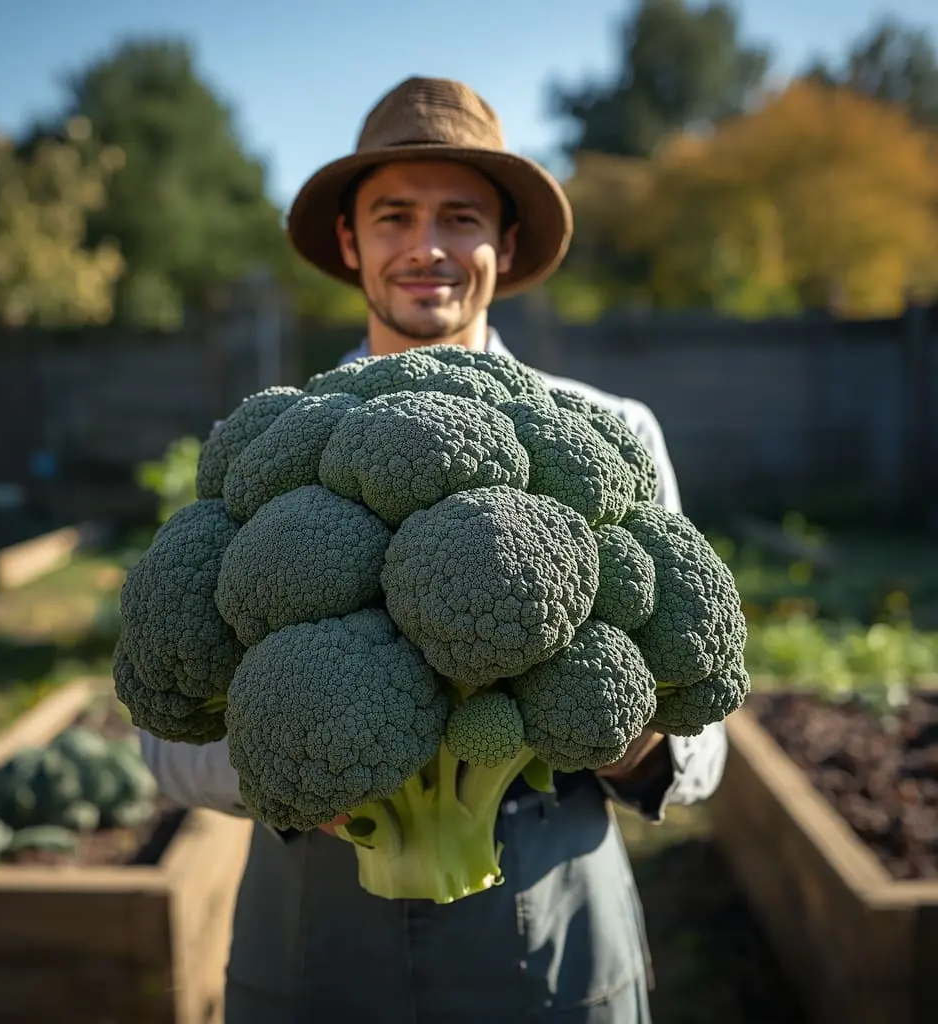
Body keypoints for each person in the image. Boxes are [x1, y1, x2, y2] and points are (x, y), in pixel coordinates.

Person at [139, 76, 728, 1024]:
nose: (427, 248)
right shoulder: (264, 447)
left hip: (556, 931)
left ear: (505, 244)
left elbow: (702, 757)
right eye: (393, 216)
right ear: (348, 241)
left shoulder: (612, 431)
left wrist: (615, 725)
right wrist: (312, 755)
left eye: (461, 216)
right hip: (309, 942)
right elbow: (165, 746)